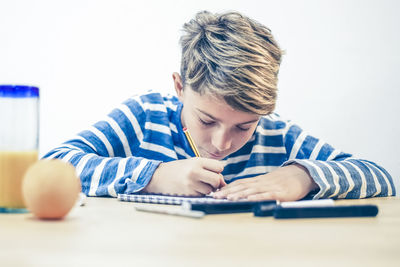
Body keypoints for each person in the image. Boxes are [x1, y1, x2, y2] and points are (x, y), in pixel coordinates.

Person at [43, 10, 395, 201]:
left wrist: (304, 176)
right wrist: (153, 177)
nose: (223, 144)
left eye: (244, 125)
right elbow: (53, 166)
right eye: (208, 120)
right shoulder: (143, 116)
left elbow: (381, 177)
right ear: (180, 87)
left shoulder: (277, 135)